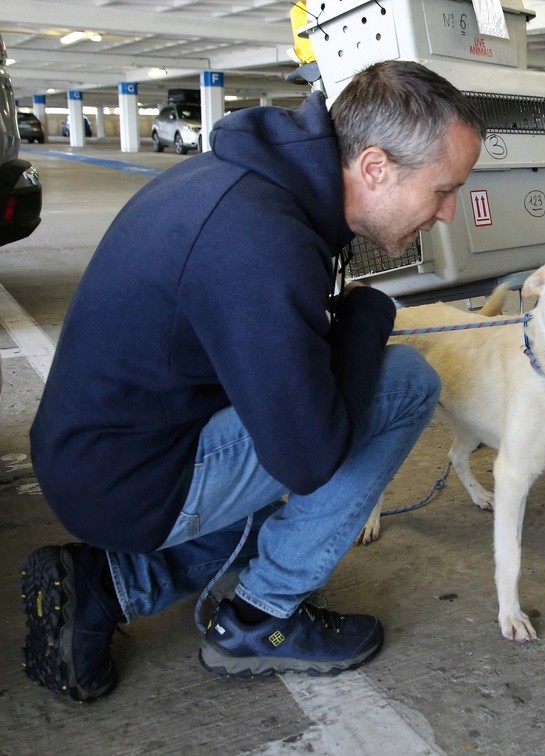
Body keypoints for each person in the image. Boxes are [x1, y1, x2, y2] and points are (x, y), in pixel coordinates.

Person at [21, 60, 485, 703]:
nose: (448, 213)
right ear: (375, 167)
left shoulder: (259, 185)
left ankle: (109, 582)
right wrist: (369, 312)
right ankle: (259, 618)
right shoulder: (262, 240)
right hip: (125, 478)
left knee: (308, 408)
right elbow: (307, 458)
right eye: (442, 190)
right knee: (401, 384)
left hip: (104, 455)